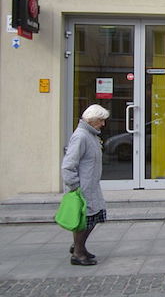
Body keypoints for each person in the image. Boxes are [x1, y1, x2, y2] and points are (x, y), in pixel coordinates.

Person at [61, 104, 110, 266]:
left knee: (92, 217)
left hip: (91, 185)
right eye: (100, 120)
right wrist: (75, 186)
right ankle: (78, 253)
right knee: (85, 219)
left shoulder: (91, 135)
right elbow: (68, 165)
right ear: (91, 120)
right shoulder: (81, 136)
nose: (103, 124)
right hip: (82, 187)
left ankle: (79, 247)